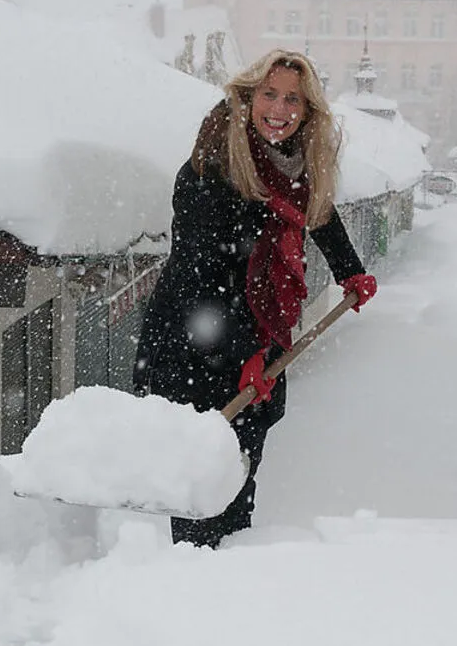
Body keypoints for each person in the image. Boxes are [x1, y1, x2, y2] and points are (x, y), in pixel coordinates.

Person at [133, 49, 377, 548]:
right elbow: (201, 273)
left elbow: (320, 214)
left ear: (308, 110)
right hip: (194, 341)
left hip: (252, 341)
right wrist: (245, 351)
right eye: (270, 94)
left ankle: (234, 582)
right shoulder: (213, 166)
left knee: (243, 472)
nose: (280, 109)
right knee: (202, 486)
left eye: (293, 99)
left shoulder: (296, 163)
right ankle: (195, 580)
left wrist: (350, 271)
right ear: (248, 96)